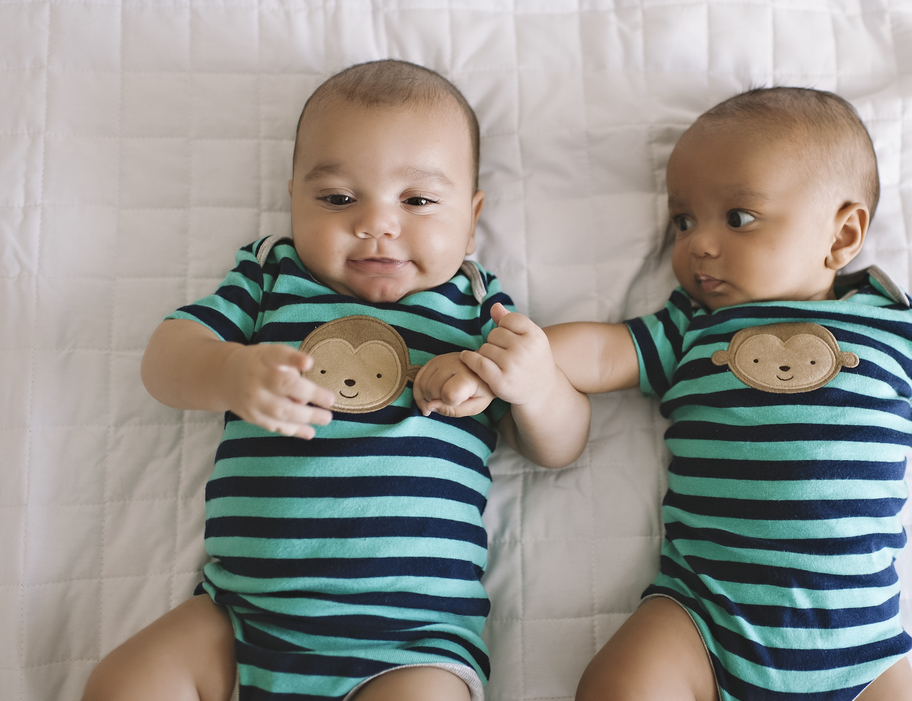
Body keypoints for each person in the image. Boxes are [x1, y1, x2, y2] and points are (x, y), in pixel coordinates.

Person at [439, 86, 912, 700]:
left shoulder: (896, 325)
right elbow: (603, 349)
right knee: (615, 685)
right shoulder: (694, 326)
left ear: (842, 232)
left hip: (860, 641)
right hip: (703, 612)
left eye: (738, 217)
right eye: (684, 219)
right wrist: (515, 357)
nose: (698, 244)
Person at [81, 60, 588, 701]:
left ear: (472, 216)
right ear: (293, 197)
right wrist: (229, 372)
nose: (377, 223)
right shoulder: (274, 278)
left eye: (419, 201)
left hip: (411, 642)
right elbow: (165, 358)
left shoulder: (479, 307)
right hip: (240, 614)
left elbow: (560, 446)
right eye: (337, 199)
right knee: (123, 685)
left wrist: (538, 387)